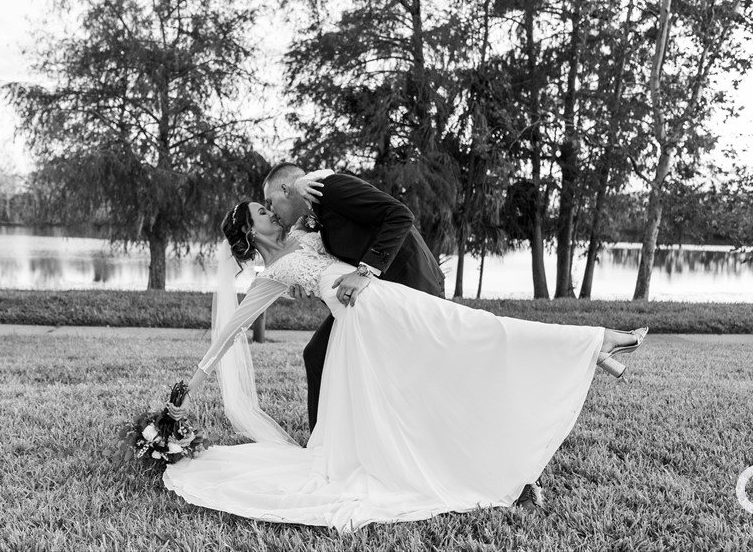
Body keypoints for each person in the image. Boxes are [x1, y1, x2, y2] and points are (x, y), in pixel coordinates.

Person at [162, 201, 647, 532]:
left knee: (474, 331)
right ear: (249, 232)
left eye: (268, 206)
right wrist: (194, 385)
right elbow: (232, 329)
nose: (271, 212)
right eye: (261, 212)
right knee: (472, 336)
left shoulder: (304, 232)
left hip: (385, 303)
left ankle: (591, 347)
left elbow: (337, 209)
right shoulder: (274, 275)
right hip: (366, 324)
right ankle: (595, 344)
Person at [262, 163, 446, 435]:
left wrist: (364, 271)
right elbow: (338, 274)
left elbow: (400, 215)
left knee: (410, 377)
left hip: (413, 285)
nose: (271, 212)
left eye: (269, 201)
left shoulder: (331, 189)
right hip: (377, 297)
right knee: (317, 355)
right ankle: (322, 445)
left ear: (286, 188)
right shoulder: (318, 222)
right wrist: (308, 285)